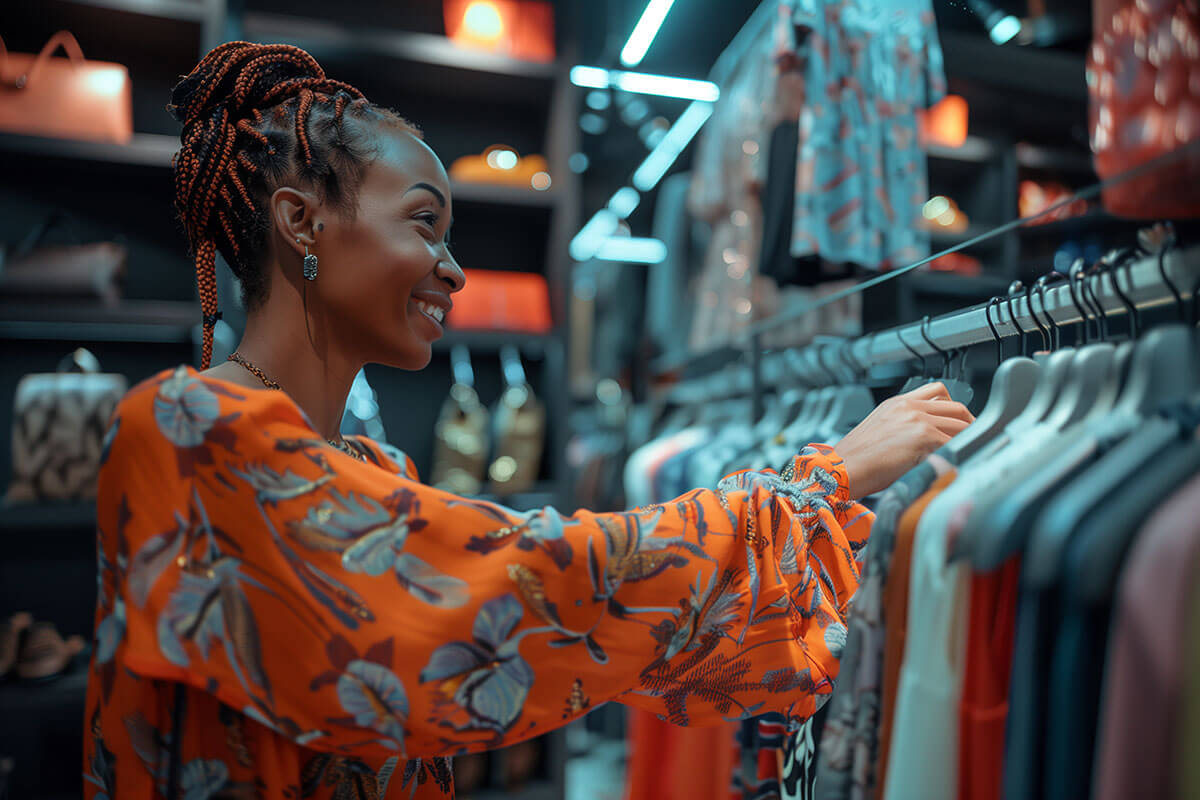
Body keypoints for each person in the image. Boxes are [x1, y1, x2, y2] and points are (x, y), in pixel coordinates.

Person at [83, 42, 974, 800]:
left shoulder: (370, 464)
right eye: (425, 225)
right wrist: (815, 485)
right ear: (301, 222)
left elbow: (563, 622)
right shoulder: (183, 432)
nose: (454, 270)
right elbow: (523, 588)